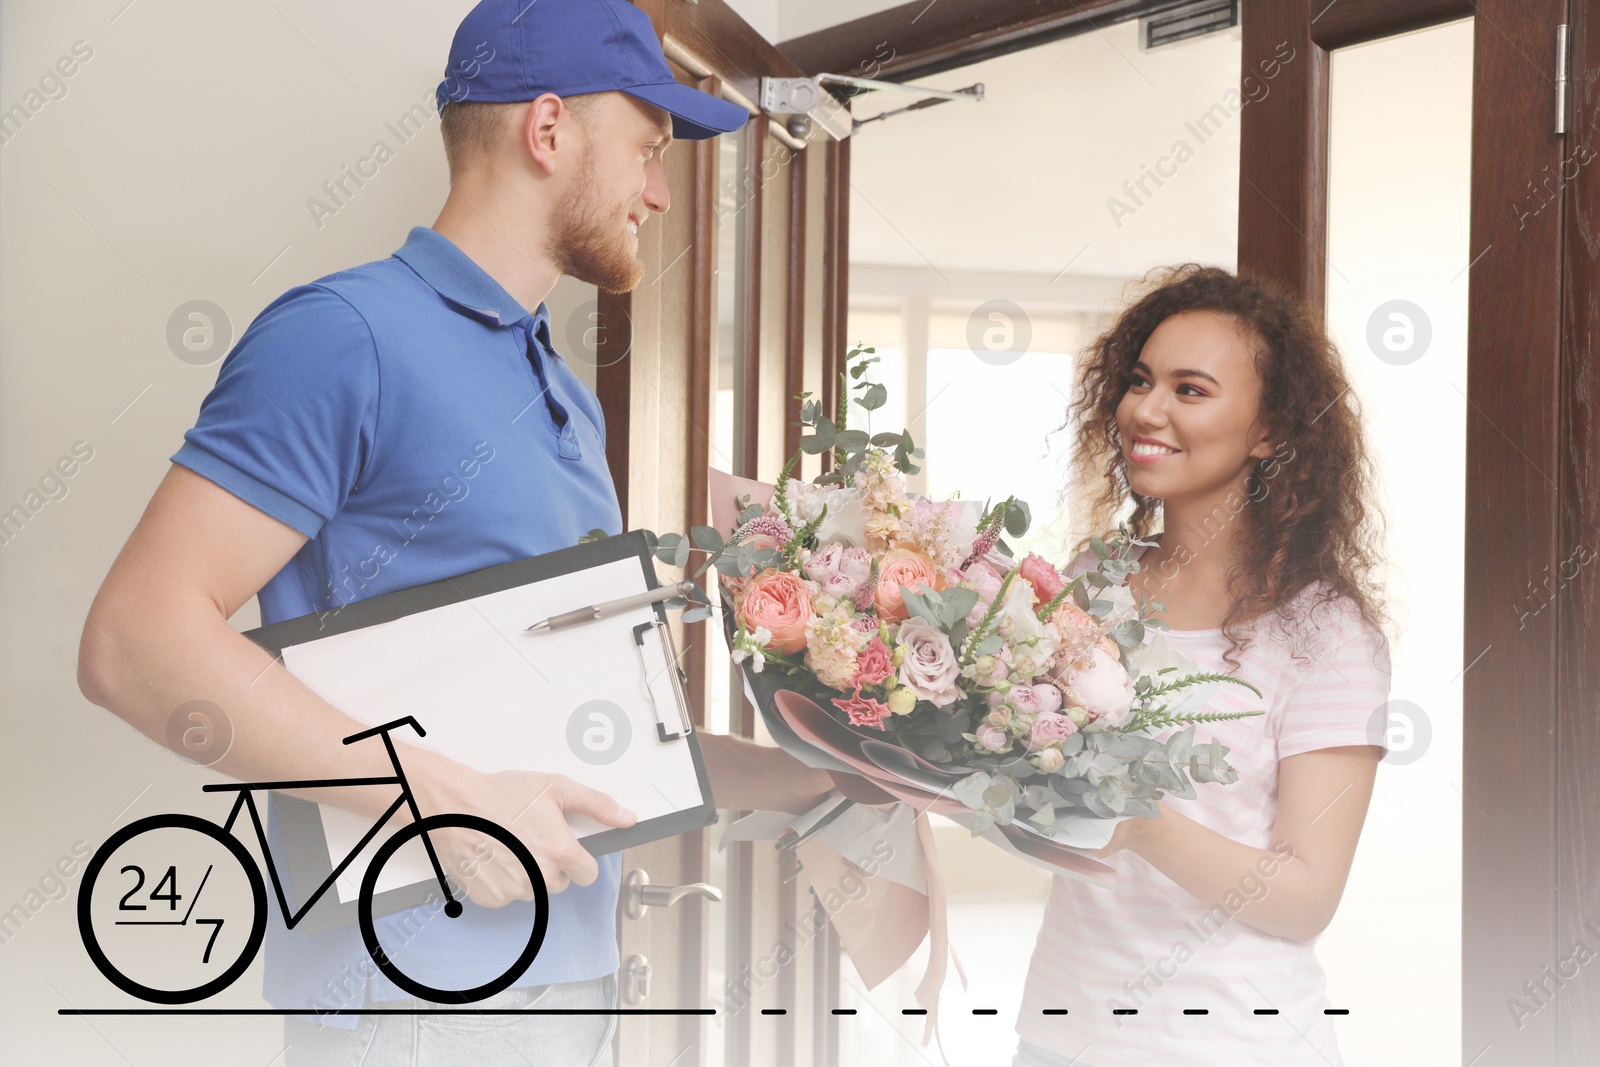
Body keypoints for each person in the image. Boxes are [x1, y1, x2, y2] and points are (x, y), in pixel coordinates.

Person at [75, 1, 827, 1064]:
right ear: (549, 129)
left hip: (573, 981)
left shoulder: (564, 391)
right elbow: (134, 644)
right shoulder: (344, 337)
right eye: (648, 151)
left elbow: (550, 722)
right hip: (416, 1002)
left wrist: (803, 772)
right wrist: (450, 809)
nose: (659, 193)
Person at [1012, 265, 1392, 1067]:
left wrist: (1141, 822)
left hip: (1233, 1042)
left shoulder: (1323, 632)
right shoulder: (1094, 579)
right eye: (1141, 380)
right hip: (1060, 1030)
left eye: (1190, 390)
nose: (1145, 410)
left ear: (1270, 430)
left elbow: (1306, 896)